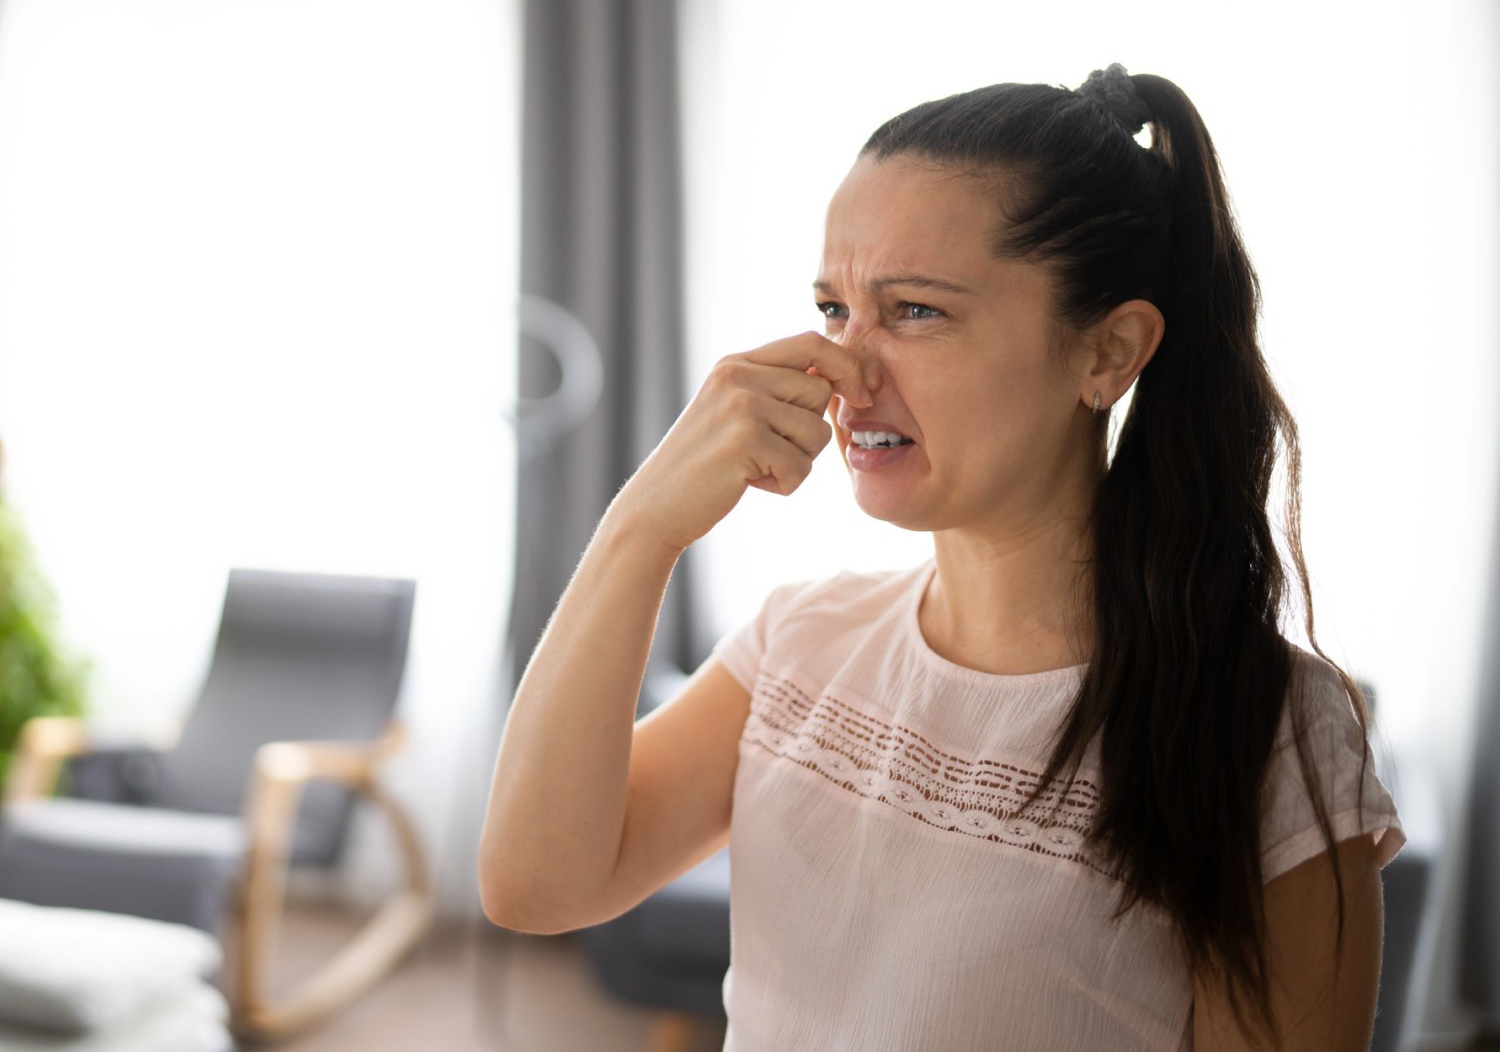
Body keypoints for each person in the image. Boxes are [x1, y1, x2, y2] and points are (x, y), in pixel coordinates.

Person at [479, 64, 1404, 1050]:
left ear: (1109, 352)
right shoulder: (800, 642)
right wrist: (642, 525)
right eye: (834, 308)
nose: (846, 370)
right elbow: (536, 886)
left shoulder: (1266, 732)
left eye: (915, 310)